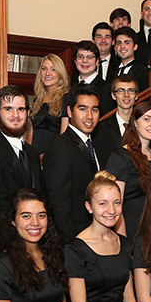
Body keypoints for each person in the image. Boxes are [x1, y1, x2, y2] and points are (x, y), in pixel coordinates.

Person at [64, 171, 143, 302]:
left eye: (116, 203)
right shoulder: (75, 250)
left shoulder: (124, 243)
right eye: (103, 204)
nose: (111, 210)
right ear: (89, 207)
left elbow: (128, 295)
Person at [0, 188, 70, 302]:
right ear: (13, 221)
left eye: (41, 216)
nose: (35, 223)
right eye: (26, 216)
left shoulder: (53, 254)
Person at [0, 85, 42, 261]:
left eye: (21, 109)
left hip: (35, 247)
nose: (16, 115)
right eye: (8, 109)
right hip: (4, 251)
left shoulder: (32, 153)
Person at [42, 84, 102, 245]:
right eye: (82, 109)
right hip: (73, 241)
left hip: (92, 237)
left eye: (94, 110)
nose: (89, 116)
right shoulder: (60, 147)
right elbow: (58, 202)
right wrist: (72, 244)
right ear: (69, 111)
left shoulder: (93, 145)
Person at [107, 102, 151, 242]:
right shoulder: (121, 156)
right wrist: (124, 242)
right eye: (147, 119)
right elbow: (115, 204)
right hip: (133, 232)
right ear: (134, 122)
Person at [27, 54, 70, 154]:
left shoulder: (66, 98)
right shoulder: (37, 101)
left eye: (53, 69)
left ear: (60, 74)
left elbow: (64, 136)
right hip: (35, 158)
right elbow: (30, 135)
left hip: (55, 156)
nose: (48, 73)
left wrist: (48, 156)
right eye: (44, 69)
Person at [93, 75, 139, 167]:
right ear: (113, 95)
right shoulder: (100, 129)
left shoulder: (144, 126)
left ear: (136, 95)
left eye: (131, 90)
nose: (126, 95)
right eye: (121, 90)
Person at [108, 26, 149, 92]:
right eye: (119, 43)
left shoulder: (145, 73)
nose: (122, 46)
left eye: (127, 42)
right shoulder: (111, 71)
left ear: (135, 47)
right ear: (115, 48)